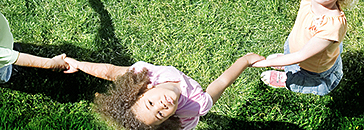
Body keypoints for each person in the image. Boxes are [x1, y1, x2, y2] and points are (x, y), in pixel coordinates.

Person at [63, 53, 264, 129]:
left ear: (141, 92)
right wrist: (244, 61)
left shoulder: (146, 74)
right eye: (160, 115)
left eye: (150, 104)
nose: (161, 106)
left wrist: (79, 64)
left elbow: (110, 72)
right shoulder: (194, 104)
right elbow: (220, 83)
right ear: (167, 120)